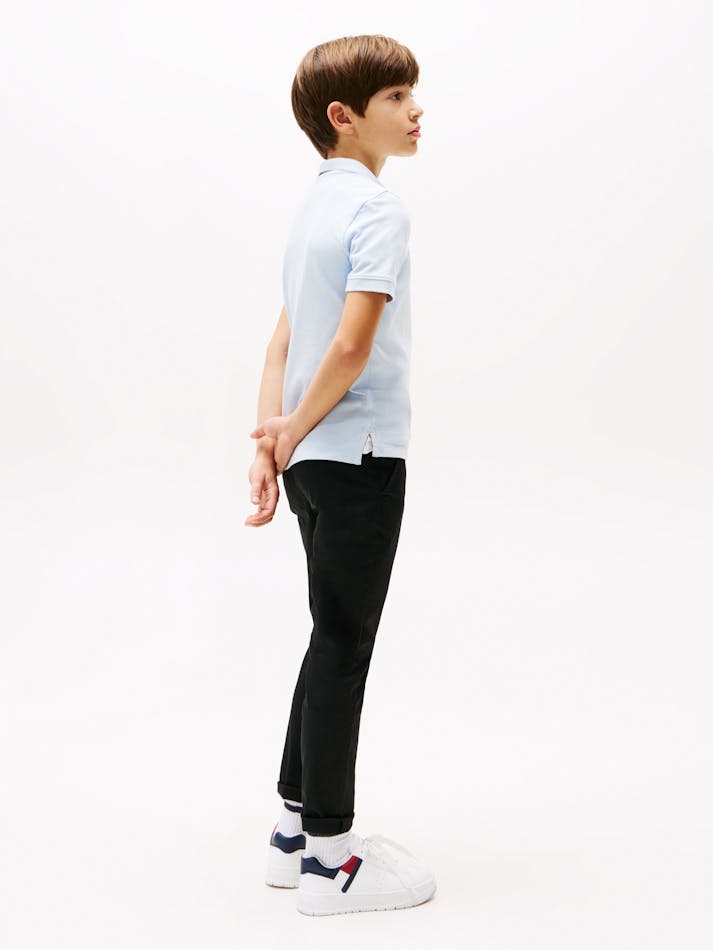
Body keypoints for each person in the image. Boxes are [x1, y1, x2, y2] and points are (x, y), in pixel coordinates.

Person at [245, 34, 435, 916]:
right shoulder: (376, 211)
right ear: (343, 116)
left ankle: (292, 833)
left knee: (329, 634)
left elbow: (282, 342)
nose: (415, 111)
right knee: (344, 644)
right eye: (396, 97)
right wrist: (293, 428)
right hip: (357, 452)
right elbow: (351, 345)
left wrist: (273, 438)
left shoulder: (311, 212)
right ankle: (330, 860)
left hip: (313, 459)